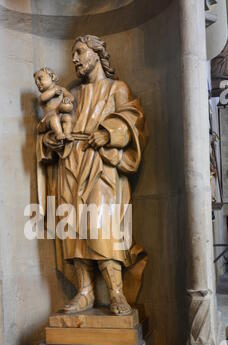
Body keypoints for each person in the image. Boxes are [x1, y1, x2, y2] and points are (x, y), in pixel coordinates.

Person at [36, 35, 147, 316]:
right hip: (70, 164)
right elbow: (52, 124)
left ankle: (116, 292)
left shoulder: (115, 88)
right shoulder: (70, 92)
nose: (74, 59)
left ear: (97, 54)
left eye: (79, 52)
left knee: (102, 227)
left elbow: (133, 119)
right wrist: (53, 140)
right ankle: (84, 292)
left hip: (101, 167)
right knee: (73, 228)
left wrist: (108, 133)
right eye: (73, 54)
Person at [34, 67, 74, 141]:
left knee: (67, 118)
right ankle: (59, 134)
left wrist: (67, 99)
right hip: (48, 118)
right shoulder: (44, 95)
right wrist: (53, 91)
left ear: (52, 76)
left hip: (61, 115)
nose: (38, 83)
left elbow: (71, 97)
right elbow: (43, 98)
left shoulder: (61, 89)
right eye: (36, 83)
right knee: (54, 118)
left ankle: (67, 133)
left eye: (40, 79)